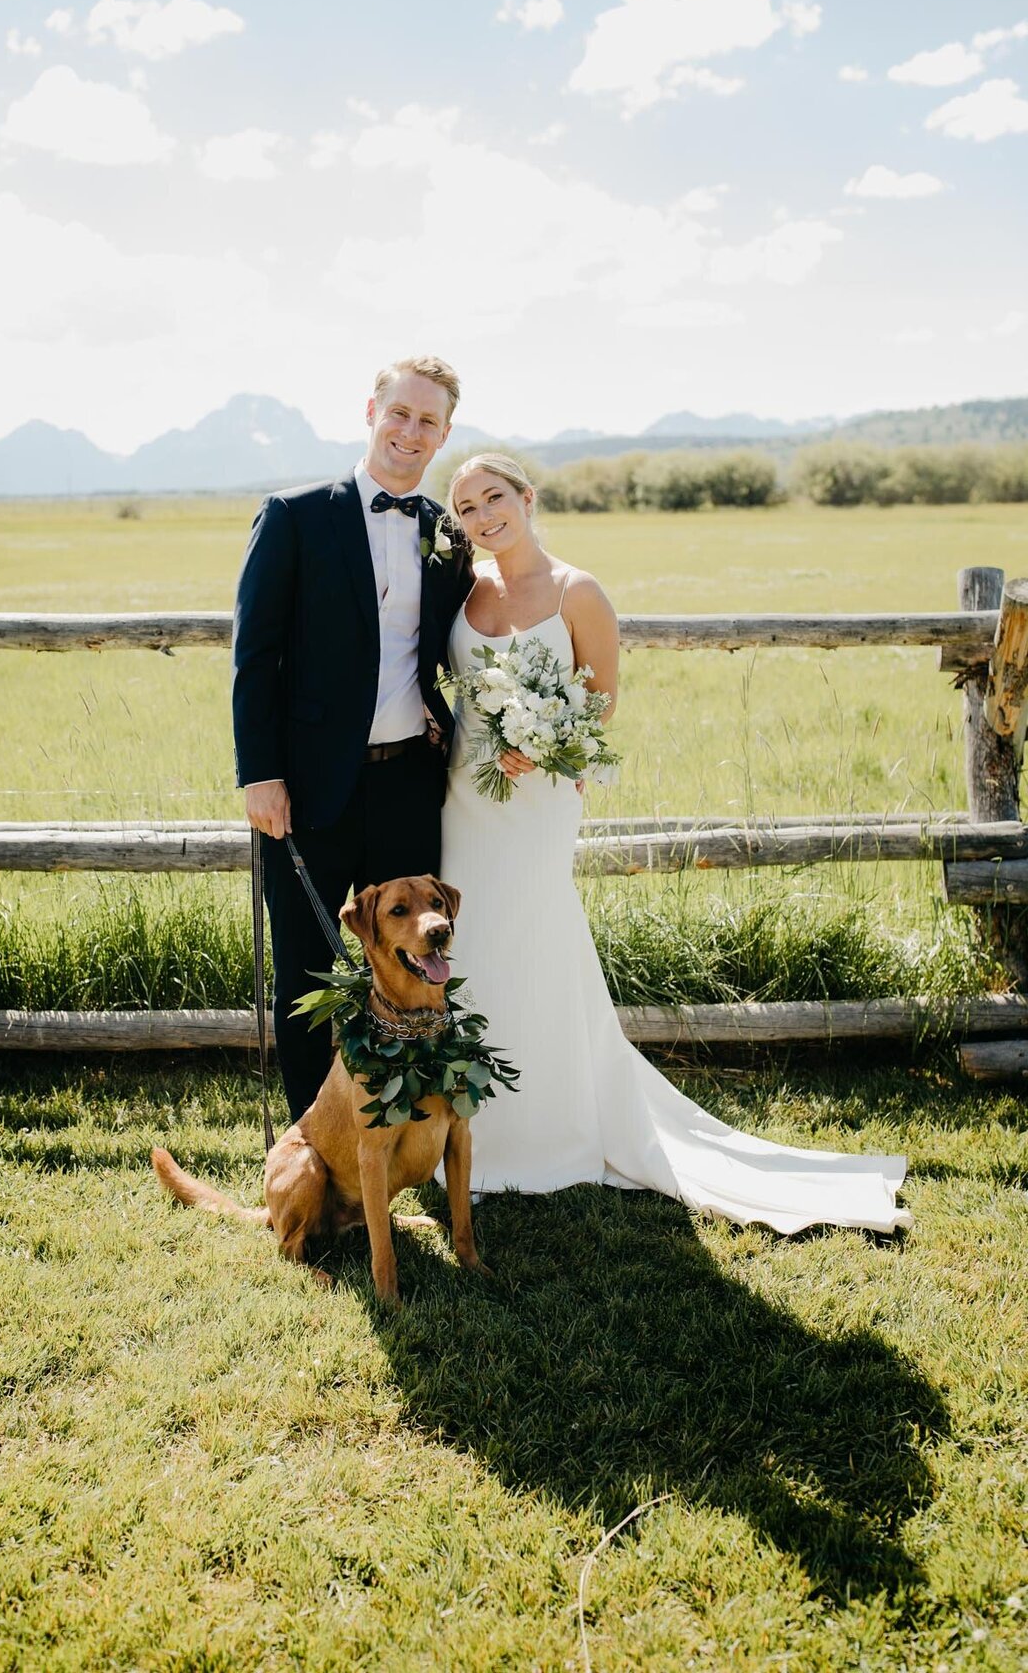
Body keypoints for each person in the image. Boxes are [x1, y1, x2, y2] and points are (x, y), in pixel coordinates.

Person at [439, 453, 909, 1234]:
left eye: (494, 497)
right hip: (462, 798)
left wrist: (548, 742)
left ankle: (549, 1134)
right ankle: (471, 1131)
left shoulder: (576, 591)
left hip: (538, 802)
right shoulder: (467, 590)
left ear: (527, 497)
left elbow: (604, 702)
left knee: (532, 940)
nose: (483, 515)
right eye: (465, 507)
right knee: (474, 947)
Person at [233, 356, 474, 1122]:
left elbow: (456, 644)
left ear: (444, 434)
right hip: (305, 787)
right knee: (307, 974)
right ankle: (312, 1145)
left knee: (414, 972)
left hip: (408, 785)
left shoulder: (446, 532)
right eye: (399, 413)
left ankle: (402, 1135)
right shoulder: (296, 514)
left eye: (428, 421)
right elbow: (255, 653)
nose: (410, 432)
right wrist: (260, 773)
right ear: (371, 411)